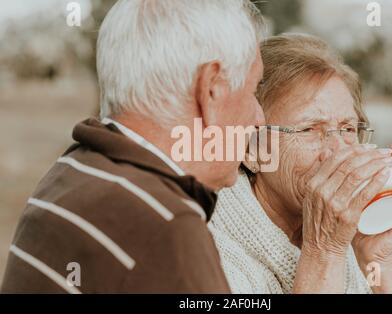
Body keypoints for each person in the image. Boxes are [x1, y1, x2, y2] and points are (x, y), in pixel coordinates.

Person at [1, 0, 265, 293]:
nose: (259, 117)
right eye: (254, 90)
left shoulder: (70, 171)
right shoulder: (169, 229)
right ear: (211, 89)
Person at [209, 34, 392, 293]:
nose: (338, 151)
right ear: (252, 149)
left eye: (347, 128)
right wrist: (323, 252)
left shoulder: (342, 237)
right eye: (310, 129)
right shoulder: (210, 254)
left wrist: (377, 260)